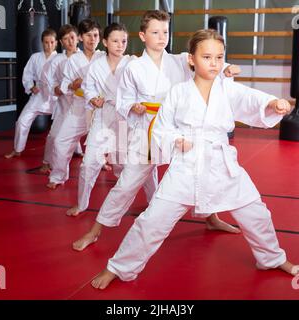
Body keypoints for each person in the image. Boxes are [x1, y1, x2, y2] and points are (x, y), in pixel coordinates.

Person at [91, 29, 299, 290]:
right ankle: (119, 267)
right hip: (186, 164)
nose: (214, 63)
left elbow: (250, 99)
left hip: (222, 163)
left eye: (219, 57)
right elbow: (160, 129)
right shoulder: (178, 93)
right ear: (191, 59)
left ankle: (271, 258)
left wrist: (273, 103)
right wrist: (175, 140)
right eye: (207, 56)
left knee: (256, 213)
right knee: (152, 221)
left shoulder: (227, 89)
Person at [72, 10, 240, 252]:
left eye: (165, 32)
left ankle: (211, 217)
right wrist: (133, 106)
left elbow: (206, 68)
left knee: (202, 173)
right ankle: (95, 230)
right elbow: (123, 100)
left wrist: (224, 71)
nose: (162, 37)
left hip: (179, 130)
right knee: (126, 184)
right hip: (147, 132)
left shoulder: (181, 60)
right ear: (142, 35)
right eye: (155, 32)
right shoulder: (134, 67)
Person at [66, 23, 157, 218]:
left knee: (141, 162)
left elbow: (146, 86)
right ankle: (82, 204)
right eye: (115, 41)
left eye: (123, 41)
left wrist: (139, 103)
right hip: (104, 116)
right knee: (88, 163)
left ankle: (154, 202)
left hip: (128, 118)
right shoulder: (96, 66)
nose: (120, 45)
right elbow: (88, 87)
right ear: (105, 42)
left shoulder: (133, 62)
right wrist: (92, 98)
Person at [47, 19, 104, 189]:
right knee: (60, 141)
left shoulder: (104, 57)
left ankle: (121, 176)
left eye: (95, 35)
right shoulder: (73, 60)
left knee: (117, 144)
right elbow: (66, 84)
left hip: (101, 108)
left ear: (100, 38)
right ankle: (58, 176)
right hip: (79, 107)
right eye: (88, 35)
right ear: (80, 37)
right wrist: (74, 84)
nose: (92, 39)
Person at [4, 28, 57, 159]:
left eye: (51, 42)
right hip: (38, 95)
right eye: (46, 42)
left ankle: (77, 150)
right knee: (22, 121)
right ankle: (17, 149)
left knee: (67, 123)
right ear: (42, 43)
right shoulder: (35, 57)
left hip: (55, 96)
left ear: (56, 43)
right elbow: (27, 74)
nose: (49, 45)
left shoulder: (60, 58)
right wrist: (31, 86)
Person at [39, 24, 82, 174]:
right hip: (64, 104)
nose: (70, 41)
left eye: (72, 37)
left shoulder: (85, 58)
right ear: (61, 42)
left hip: (84, 104)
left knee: (100, 133)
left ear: (78, 38)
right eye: (65, 38)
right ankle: (47, 162)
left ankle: (100, 160)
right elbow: (51, 84)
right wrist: (62, 88)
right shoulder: (57, 60)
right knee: (54, 136)